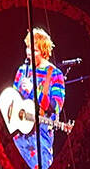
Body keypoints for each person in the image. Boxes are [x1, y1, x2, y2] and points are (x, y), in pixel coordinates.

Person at [12, 27, 66, 169]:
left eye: (34, 50)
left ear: (44, 51)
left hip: (40, 135)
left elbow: (56, 106)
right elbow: (13, 100)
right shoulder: (22, 71)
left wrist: (33, 90)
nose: (29, 53)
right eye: (28, 48)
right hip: (18, 136)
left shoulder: (55, 74)